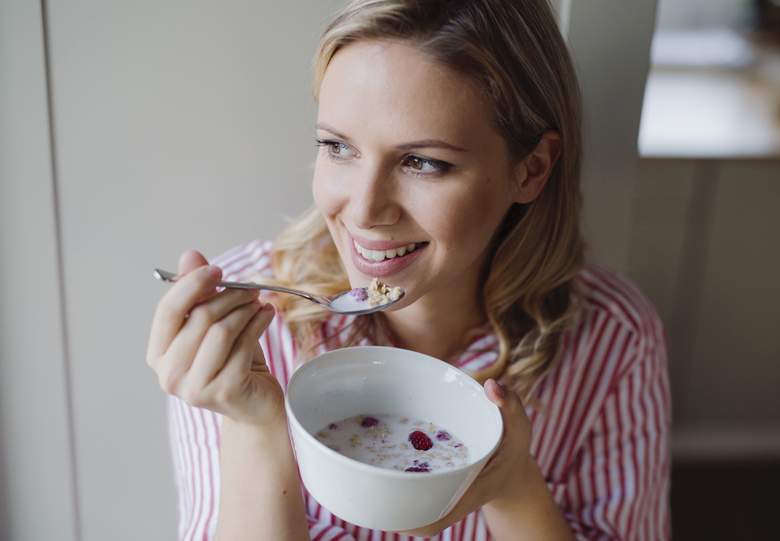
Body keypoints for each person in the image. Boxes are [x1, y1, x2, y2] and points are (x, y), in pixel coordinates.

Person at [145, 0, 671, 539]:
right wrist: (255, 426)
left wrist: (513, 486)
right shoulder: (248, 327)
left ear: (530, 169)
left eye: (423, 162)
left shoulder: (612, 336)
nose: (365, 209)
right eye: (337, 147)